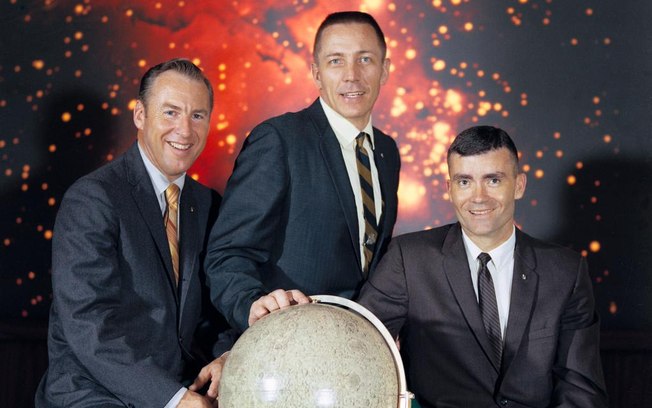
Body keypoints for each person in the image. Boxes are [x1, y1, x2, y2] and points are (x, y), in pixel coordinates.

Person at [357, 126, 608, 407]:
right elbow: (354, 343)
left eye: (493, 180)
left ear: (519, 185)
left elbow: (580, 389)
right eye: (464, 182)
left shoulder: (565, 272)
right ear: (449, 189)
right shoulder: (408, 260)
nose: (478, 196)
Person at [35, 59, 232, 408]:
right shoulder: (93, 198)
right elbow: (89, 325)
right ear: (140, 115)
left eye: (197, 115)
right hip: (93, 394)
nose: (185, 130)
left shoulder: (206, 204)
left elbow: (218, 308)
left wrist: (226, 357)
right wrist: (173, 399)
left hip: (181, 387)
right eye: (170, 112)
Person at [204, 11, 401, 331]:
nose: (352, 75)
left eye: (364, 59)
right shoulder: (279, 140)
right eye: (336, 61)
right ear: (317, 74)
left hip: (355, 343)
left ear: (385, 69)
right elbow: (228, 254)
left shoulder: (387, 151)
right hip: (285, 339)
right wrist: (251, 306)